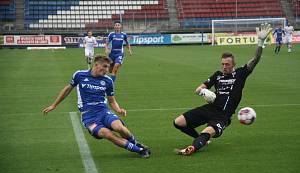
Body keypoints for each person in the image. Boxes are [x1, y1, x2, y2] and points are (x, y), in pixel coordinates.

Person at [173, 23, 272, 156]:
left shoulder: (240, 74)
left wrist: (260, 42)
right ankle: (200, 140)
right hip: (210, 108)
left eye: (227, 64)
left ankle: (192, 148)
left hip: (223, 116)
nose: (224, 66)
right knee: (178, 122)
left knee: (208, 132)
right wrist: (203, 92)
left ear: (233, 65)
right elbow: (198, 88)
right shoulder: (217, 75)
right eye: (223, 64)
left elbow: (256, 59)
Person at [42, 55, 150, 158]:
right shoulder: (79, 75)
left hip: (103, 111)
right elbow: (67, 89)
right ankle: (140, 150)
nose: (107, 70)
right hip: (88, 116)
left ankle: (136, 143)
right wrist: (54, 105)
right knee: (107, 134)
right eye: (105, 67)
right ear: (96, 65)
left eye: (108, 67)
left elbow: (112, 101)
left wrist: (118, 109)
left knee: (119, 127)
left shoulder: (108, 81)